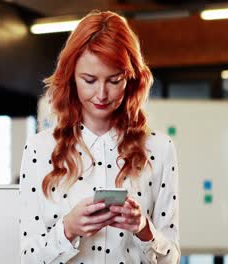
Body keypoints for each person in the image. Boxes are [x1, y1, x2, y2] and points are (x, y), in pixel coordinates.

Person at [19, 10, 179, 264]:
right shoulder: (40, 149)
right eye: (89, 80)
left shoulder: (159, 148)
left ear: (132, 78)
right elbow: (27, 259)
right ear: (71, 77)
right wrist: (67, 230)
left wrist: (144, 229)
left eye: (115, 80)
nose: (102, 94)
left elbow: (171, 258)